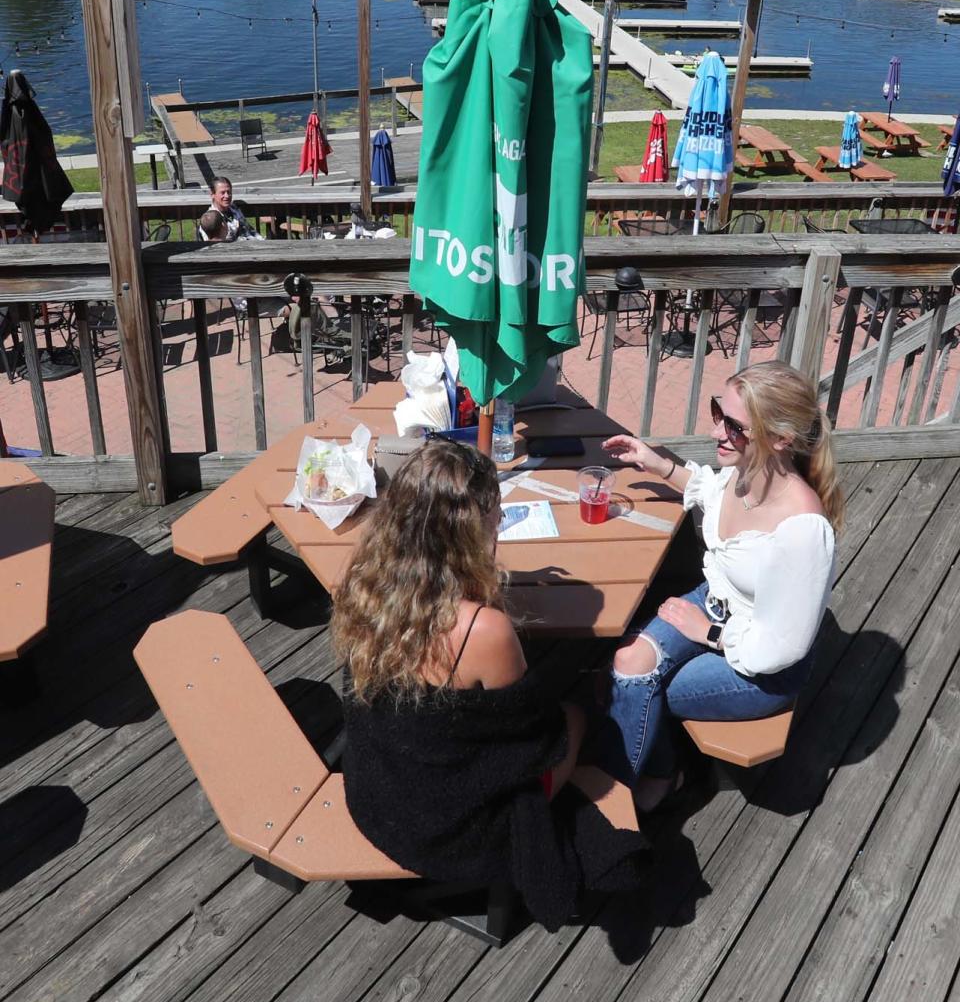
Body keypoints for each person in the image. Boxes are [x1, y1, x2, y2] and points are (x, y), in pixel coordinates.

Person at [333, 438, 648, 931]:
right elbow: (530, 740)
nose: (500, 524)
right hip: (453, 826)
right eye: (495, 515)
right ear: (469, 532)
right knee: (581, 712)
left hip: (379, 789)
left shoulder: (362, 582)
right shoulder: (483, 630)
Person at [594, 360, 844, 811]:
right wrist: (654, 462)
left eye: (734, 426)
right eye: (717, 413)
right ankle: (660, 773)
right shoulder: (745, 471)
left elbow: (780, 649)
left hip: (760, 667)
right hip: (715, 606)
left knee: (655, 688)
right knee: (630, 663)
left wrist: (707, 633)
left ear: (781, 438)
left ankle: (620, 796)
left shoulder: (802, 531)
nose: (716, 432)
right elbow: (709, 489)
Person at [197, 177, 260, 242]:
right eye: (222, 193)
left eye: (229, 192)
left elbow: (250, 231)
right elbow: (212, 246)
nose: (227, 196)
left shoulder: (234, 209)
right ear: (212, 194)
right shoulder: (210, 220)